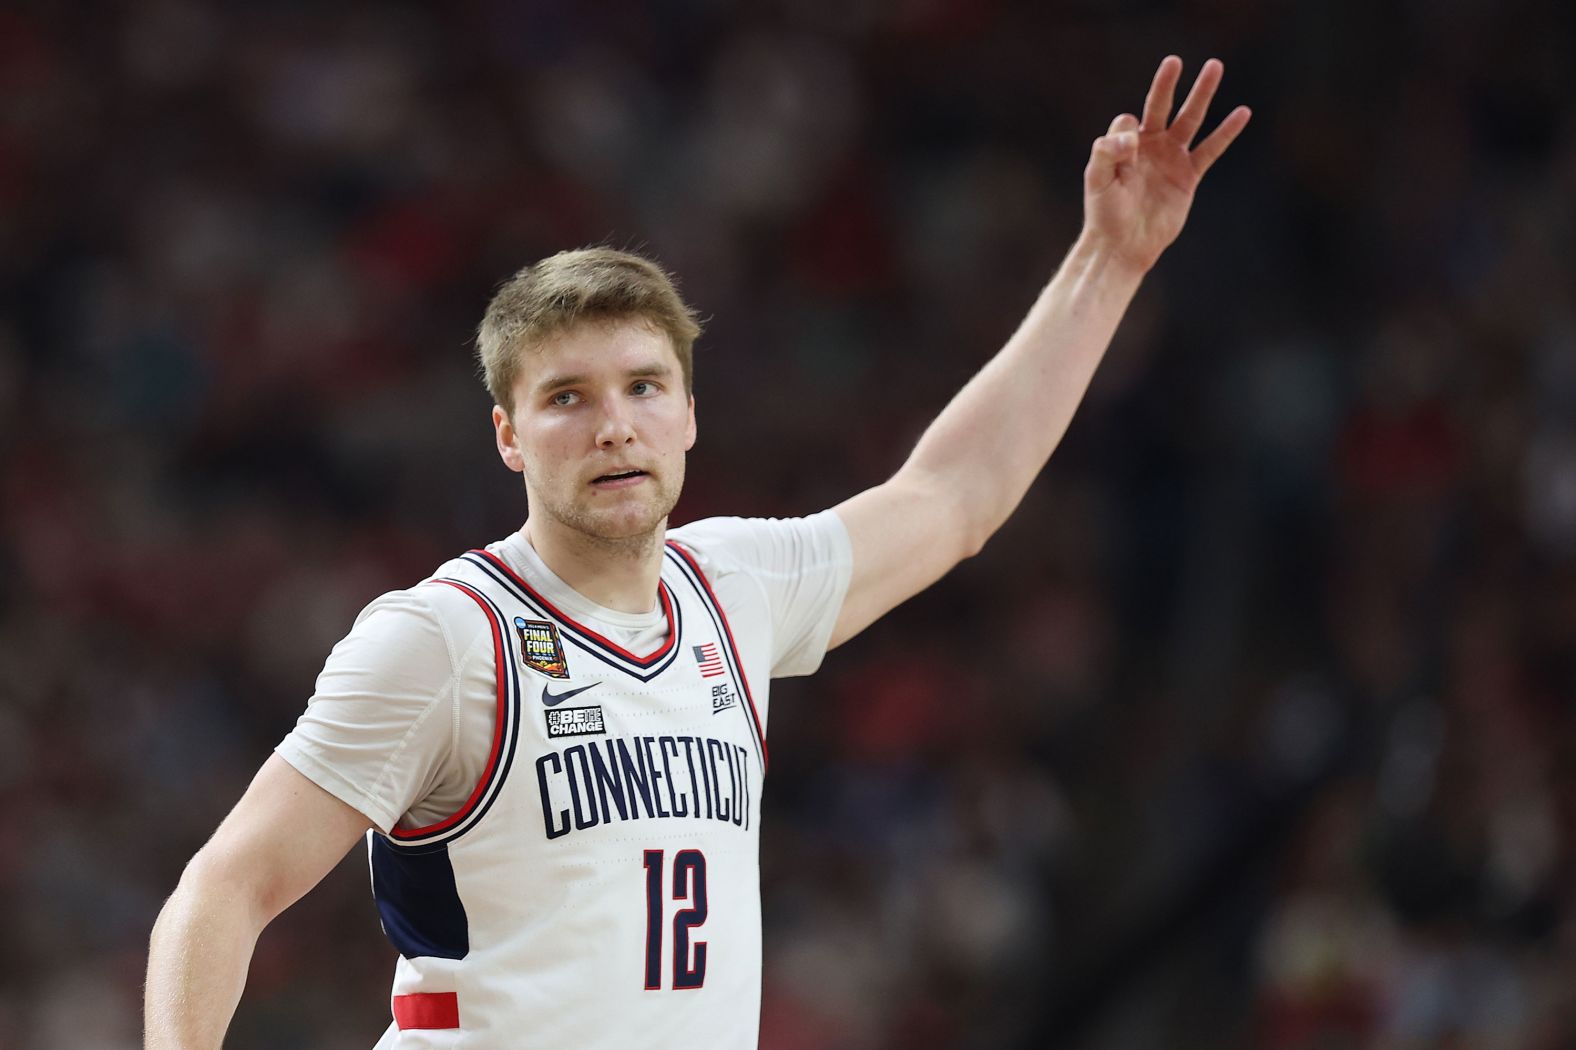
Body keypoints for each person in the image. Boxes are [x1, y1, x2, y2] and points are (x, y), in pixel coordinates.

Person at [144, 55, 1249, 1049]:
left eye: (642, 388)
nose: (613, 424)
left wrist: (1107, 260)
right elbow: (222, 890)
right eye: (566, 398)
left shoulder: (735, 588)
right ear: (507, 435)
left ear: (686, 415)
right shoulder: (439, 641)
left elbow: (954, 497)